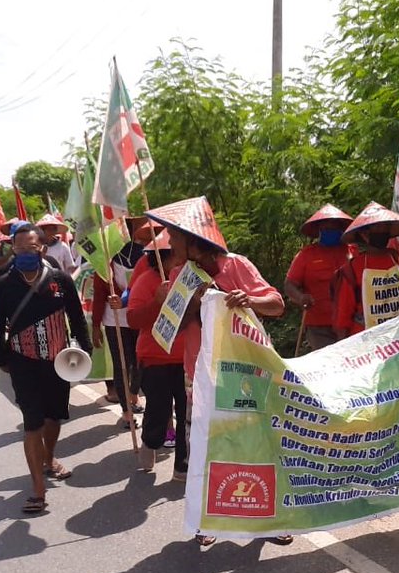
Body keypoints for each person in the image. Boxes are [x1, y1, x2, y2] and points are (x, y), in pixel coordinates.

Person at [146, 196, 291, 547]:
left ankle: (270, 520)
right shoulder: (180, 276)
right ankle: (206, 521)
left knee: (259, 444)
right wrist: (173, 302)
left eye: (175, 237)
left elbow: (277, 305)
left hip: (246, 374)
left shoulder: (236, 265)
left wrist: (249, 299)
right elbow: (172, 331)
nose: (169, 243)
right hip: (200, 375)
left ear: (194, 241)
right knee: (205, 447)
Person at [0, 223, 93, 514]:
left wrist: (85, 348)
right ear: (12, 250)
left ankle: (49, 459)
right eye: (19, 248)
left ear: (43, 249)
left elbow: (76, 317)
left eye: (31, 247)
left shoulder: (60, 280)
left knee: (54, 417)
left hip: (59, 362)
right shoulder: (3, 285)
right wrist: (2, 359)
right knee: (32, 421)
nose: (24, 253)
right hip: (23, 363)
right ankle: (38, 488)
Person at [124, 229, 190, 479]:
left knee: (187, 414)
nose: (179, 259)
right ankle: (150, 442)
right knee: (159, 410)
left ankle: (182, 464)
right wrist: (158, 301)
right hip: (155, 358)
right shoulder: (146, 281)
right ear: (160, 258)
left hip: (188, 358)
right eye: (172, 254)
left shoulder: (191, 279)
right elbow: (132, 319)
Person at [92, 217, 155, 428]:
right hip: (114, 320)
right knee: (121, 365)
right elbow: (99, 295)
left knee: (140, 361)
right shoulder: (105, 260)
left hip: (141, 317)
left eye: (127, 229)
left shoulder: (148, 257)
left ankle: (134, 394)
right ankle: (127, 412)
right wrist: (95, 325)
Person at [332, 201, 399, 339]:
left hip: (398, 337)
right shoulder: (352, 269)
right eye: (378, 228)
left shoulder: (396, 259)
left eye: (386, 227)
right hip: (365, 340)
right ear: (364, 234)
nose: (383, 231)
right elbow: (343, 317)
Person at [284, 204, 354, 352]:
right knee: (329, 363)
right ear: (319, 230)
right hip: (319, 326)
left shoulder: (353, 251)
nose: (331, 230)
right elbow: (289, 284)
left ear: (341, 229)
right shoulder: (306, 255)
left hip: (351, 323)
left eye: (334, 227)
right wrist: (301, 297)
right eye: (326, 228)